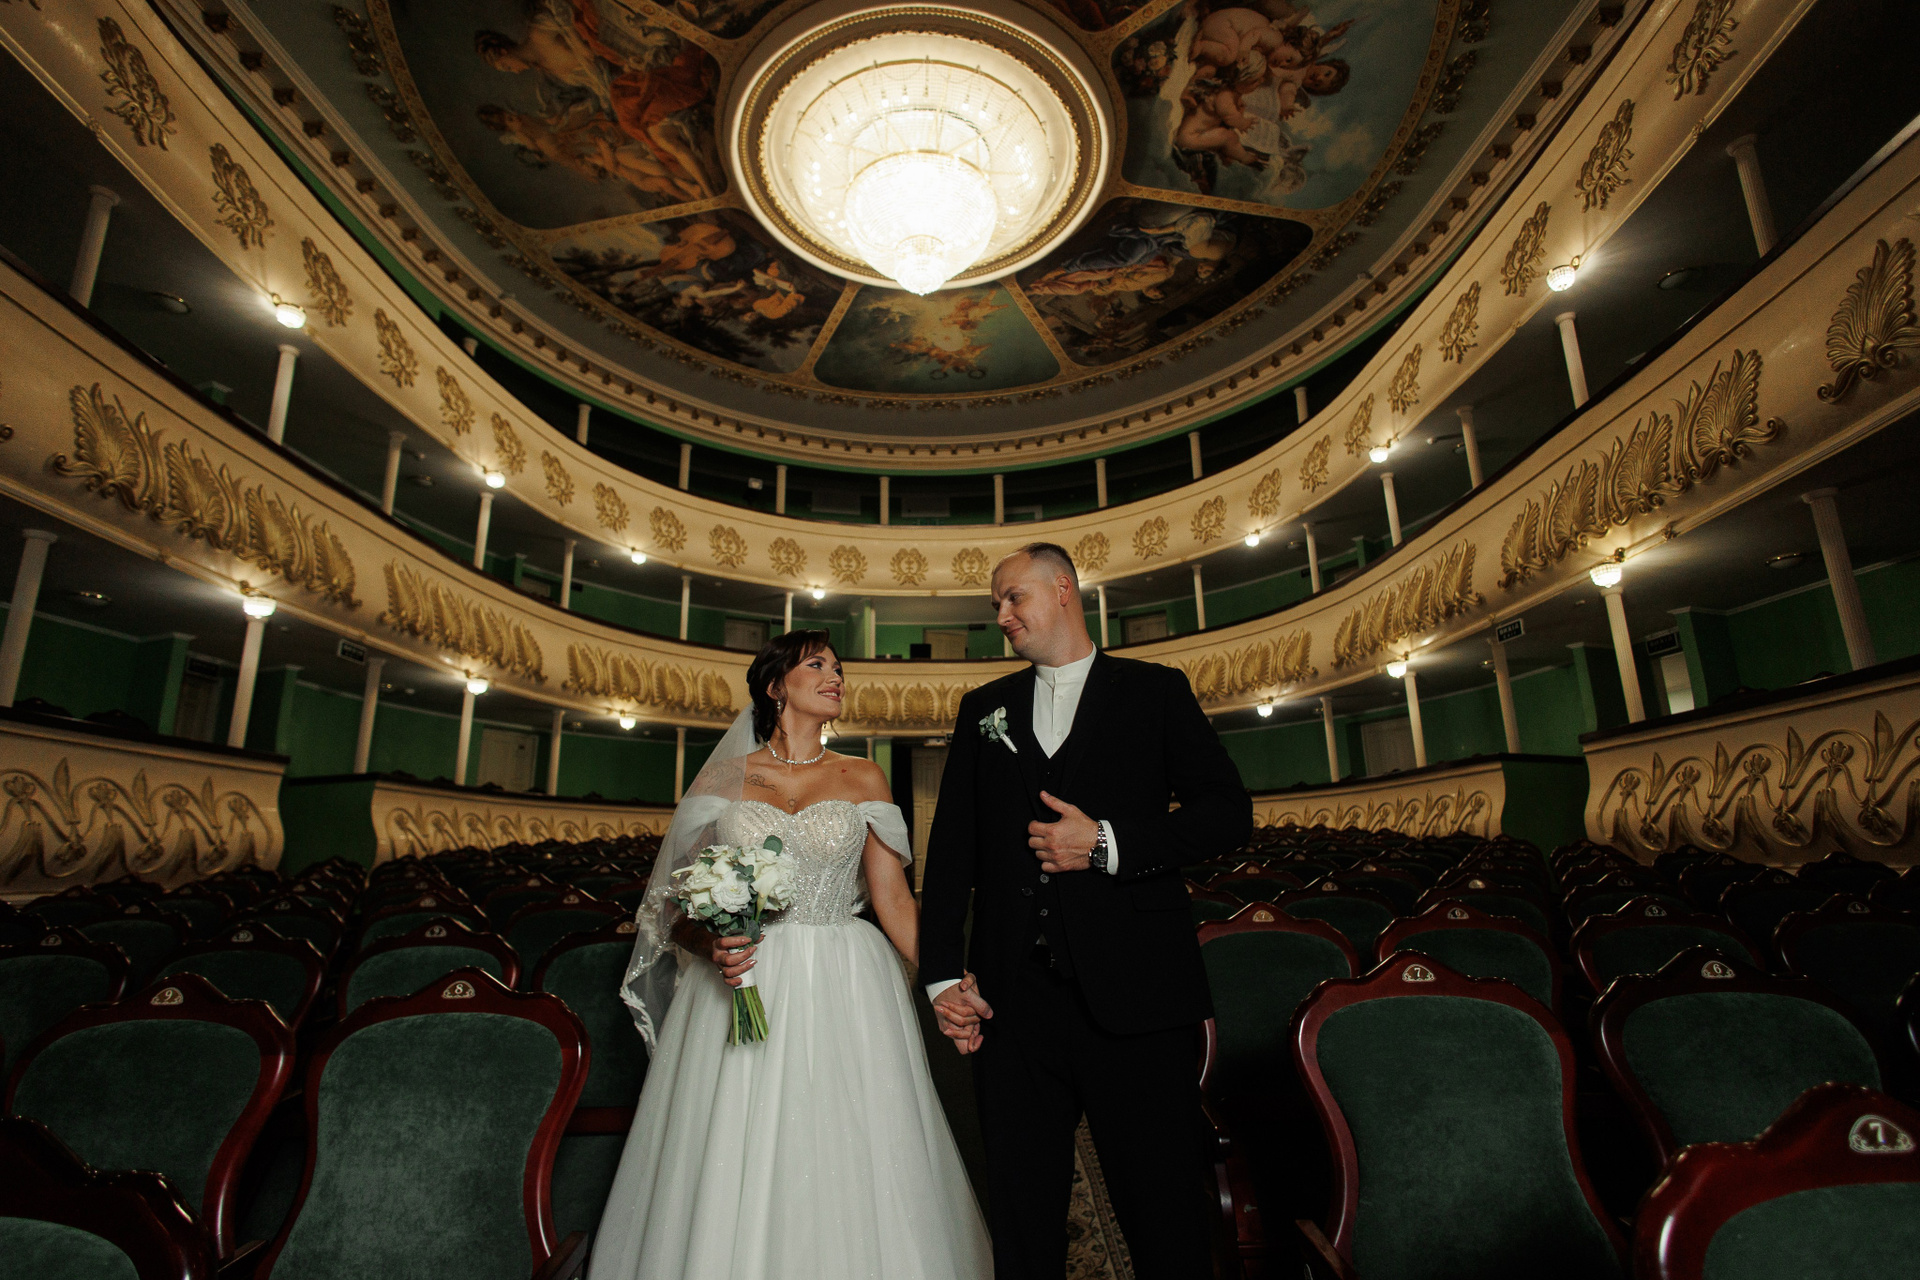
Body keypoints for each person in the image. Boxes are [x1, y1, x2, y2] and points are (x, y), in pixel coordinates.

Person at [590, 631, 991, 1280]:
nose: (836, 677)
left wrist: (944, 980)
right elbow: (674, 906)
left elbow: (892, 899)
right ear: (776, 687)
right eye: (817, 665)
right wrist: (713, 940)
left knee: (852, 1134)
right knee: (737, 1137)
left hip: (846, 976)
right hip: (746, 977)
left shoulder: (863, 775)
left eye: (839, 668)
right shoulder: (725, 778)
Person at [921, 542, 1253, 1279]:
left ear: (1064, 589)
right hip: (1012, 1001)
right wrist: (942, 975)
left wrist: (1105, 843)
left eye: (1014, 597)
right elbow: (950, 855)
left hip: (1139, 992)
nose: (1002, 616)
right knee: (1022, 1211)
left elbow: (1228, 814)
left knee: (1163, 1210)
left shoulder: (1155, 691)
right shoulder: (983, 710)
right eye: (996, 604)